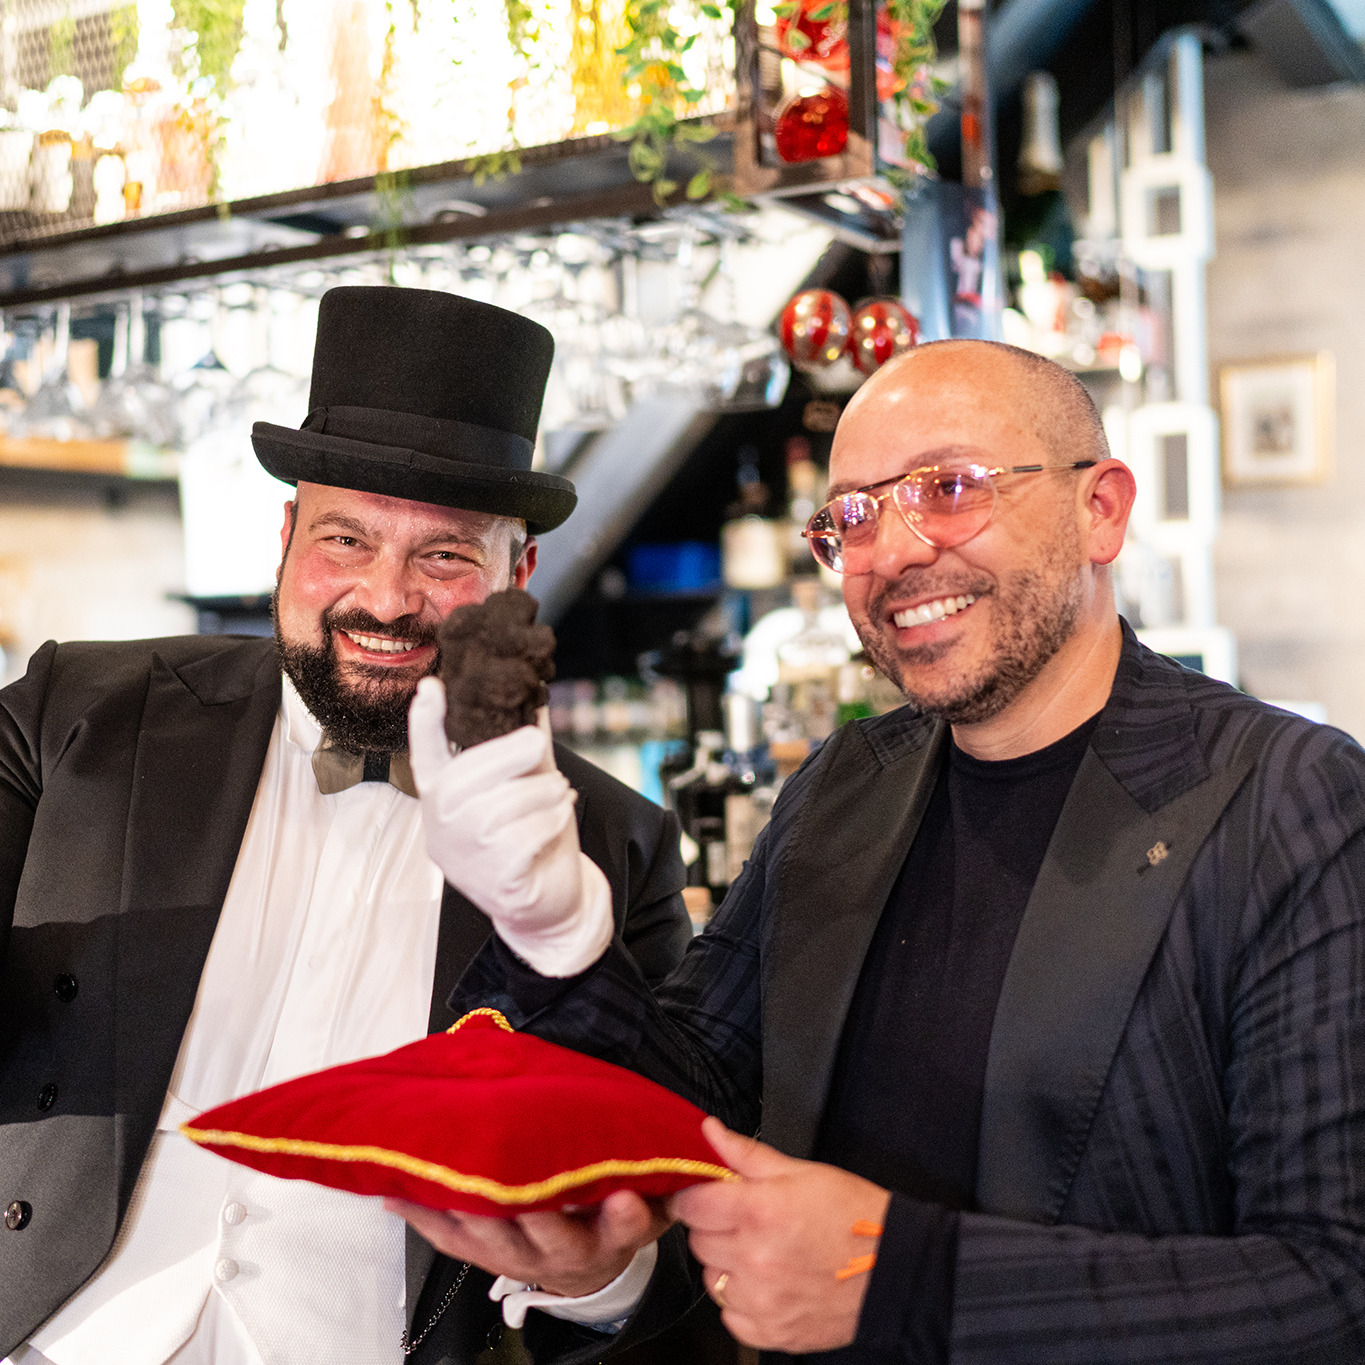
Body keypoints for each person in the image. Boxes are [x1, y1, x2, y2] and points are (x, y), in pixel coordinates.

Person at [401, 339, 1365, 1363]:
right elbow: (680, 1095)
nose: (894, 552)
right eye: (853, 515)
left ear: (1102, 510)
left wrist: (903, 1280)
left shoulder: (1288, 801)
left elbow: (1337, 1287)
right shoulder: (846, 782)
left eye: (950, 488)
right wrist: (548, 925)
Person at [0, 287, 691, 1365]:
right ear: (284, 537)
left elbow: (652, 1250)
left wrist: (596, 1273)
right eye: (344, 538)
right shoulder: (77, 714)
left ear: (520, 575)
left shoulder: (611, 846)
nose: (386, 598)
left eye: (446, 558)